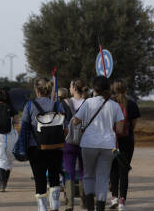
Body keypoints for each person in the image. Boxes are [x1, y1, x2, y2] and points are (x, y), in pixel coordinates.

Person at [72, 76, 125, 211]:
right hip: (108, 145)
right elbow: (119, 129)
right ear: (108, 88)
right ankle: (100, 207)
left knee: (89, 175)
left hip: (88, 144)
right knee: (103, 177)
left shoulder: (88, 102)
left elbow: (75, 121)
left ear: (94, 88)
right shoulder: (115, 105)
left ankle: (90, 207)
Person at [21, 77, 64, 211]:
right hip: (56, 147)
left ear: (36, 90)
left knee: (39, 177)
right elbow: (65, 127)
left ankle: (42, 207)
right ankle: (55, 203)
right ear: (49, 89)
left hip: (36, 148)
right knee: (54, 174)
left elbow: (24, 128)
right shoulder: (57, 105)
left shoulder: (29, 106)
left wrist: (23, 147)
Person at [109, 79, 140, 211]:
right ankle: (122, 201)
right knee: (124, 171)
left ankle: (114, 197)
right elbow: (133, 125)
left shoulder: (110, 104)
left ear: (113, 90)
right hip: (127, 141)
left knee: (113, 169)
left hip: (112, 141)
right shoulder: (132, 104)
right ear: (126, 90)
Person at [62, 80, 89, 211]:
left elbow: (61, 122)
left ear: (73, 88)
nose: (69, 88)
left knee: (69, 171)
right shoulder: (89, 103)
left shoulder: (65, 103)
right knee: (84, 171)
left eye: (70, 86)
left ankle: (69, 204)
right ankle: (84, 202)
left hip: (69, 142)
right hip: (85, 141)